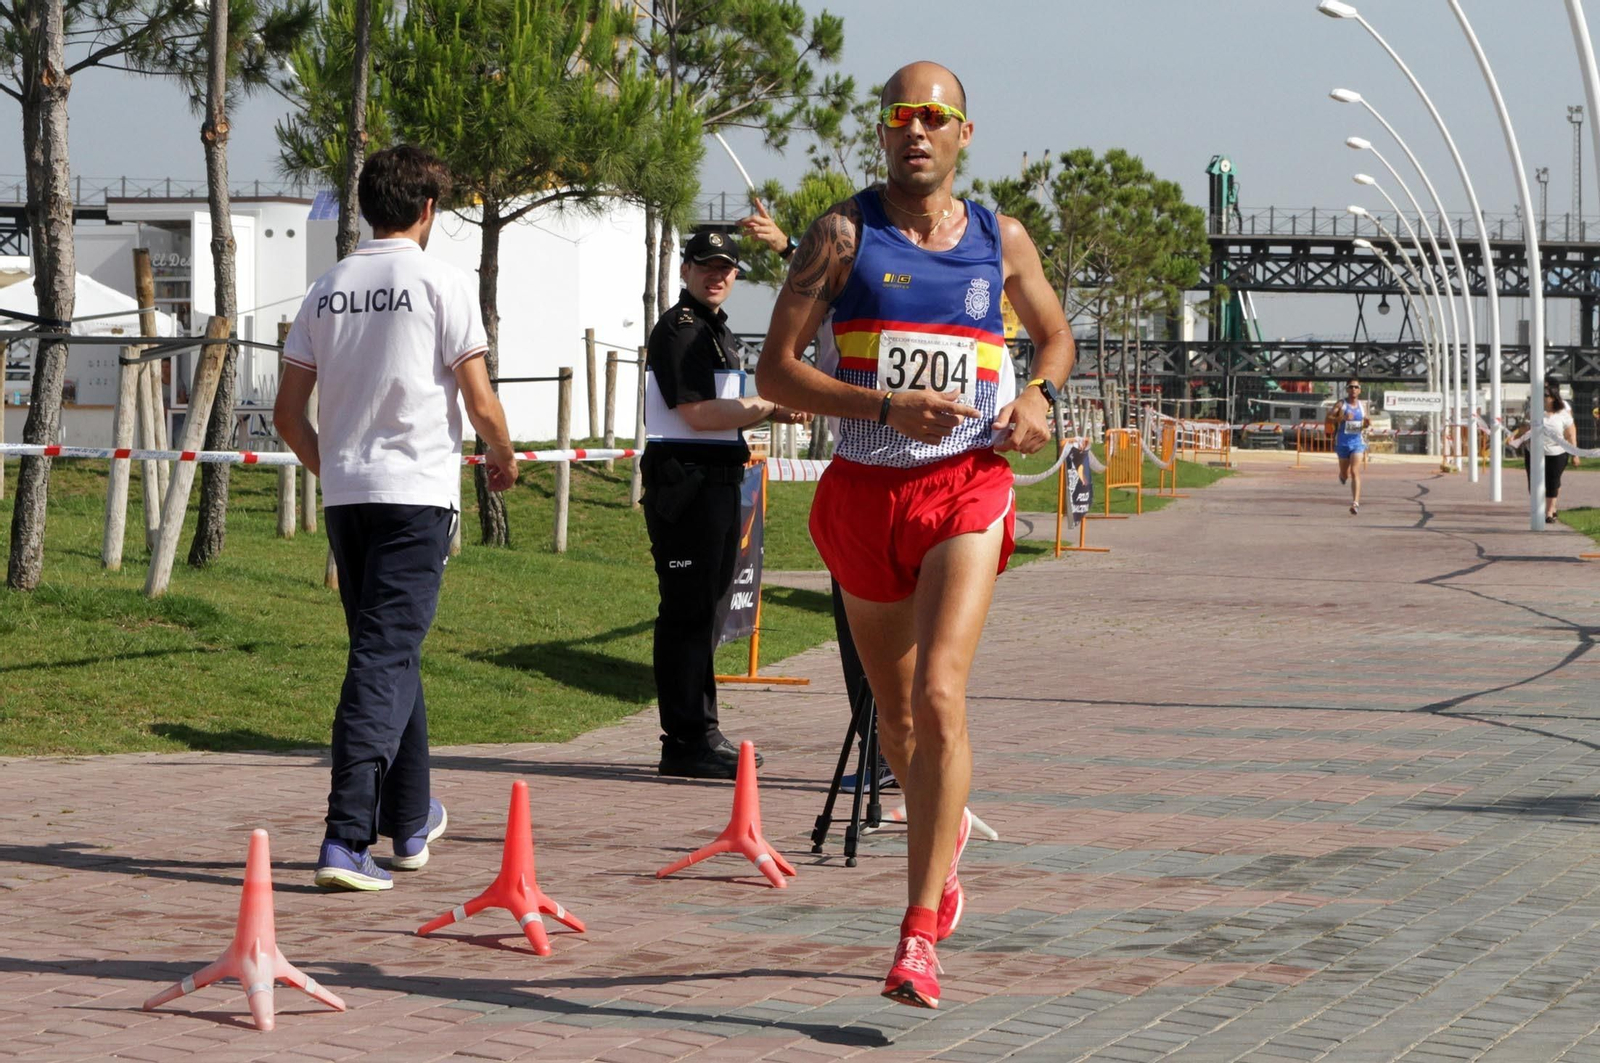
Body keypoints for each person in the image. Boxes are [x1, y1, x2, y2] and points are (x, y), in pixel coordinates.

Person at [756, 61, 1075, 1009]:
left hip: (965, 488)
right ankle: (945, 826)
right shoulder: (841, 237)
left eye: (936, 117)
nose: (917, 132)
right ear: (884, 131)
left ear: (963, 133)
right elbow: (776, 372)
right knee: (895, 721)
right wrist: (886, 404)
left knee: (940, 695)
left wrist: (1037, 395)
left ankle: (917, 931)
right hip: (864, 492)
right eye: (902, 116)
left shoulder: (999, 238)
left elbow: (1054, 337)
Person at [274, 145, 519, 891]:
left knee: (389, 651)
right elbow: (478, 400)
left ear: (365, 207)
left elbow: (287, 415)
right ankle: (346, 838)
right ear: (427, 211)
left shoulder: (326, 287)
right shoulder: (442, 283)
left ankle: (409, 821)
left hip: (348, 498)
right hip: (415, 496)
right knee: (381, 659)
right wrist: (505, 455)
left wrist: (337, 469)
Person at [644, 229, 811, 780]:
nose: (717, 276)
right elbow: (698, 414)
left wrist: (776, 410)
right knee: (688, 612)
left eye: (727, 268)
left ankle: (700, 730)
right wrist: (769, 404)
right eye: (706, 265)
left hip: (714, 480)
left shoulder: (716, 331)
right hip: (685, 482)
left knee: (706, 611)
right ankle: (687, 738)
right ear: (686, 270)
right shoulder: (682, 330)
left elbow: (729, 404)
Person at [1528, 381, 1579, 523]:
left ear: (1554, 397)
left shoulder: (1563, 413)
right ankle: (1543, 507)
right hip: (1535, 453)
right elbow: (1524, 429)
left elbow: (1570, 435)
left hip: (1557, 453)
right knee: (1535, 483)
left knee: (1552, 481)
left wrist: (1575, 454)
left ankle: (1549, 512)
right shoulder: (1534, 411)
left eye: (1546, 395)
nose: (1543, 398)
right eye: (1541, 395)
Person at [1332, 379, 1368, 515]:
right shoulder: (1341, 404)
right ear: (1347, 389)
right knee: (1345, 473)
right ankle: (1342, 475)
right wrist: (1342, 417)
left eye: (1356, 387)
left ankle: (1355, 503)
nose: (1353, 389)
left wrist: (1367, 423)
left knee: (1354, 471)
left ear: (1359, 390)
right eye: (1351, 387)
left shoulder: (1362, 405)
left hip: (1357, 443)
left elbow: (1366, 423)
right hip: (1342, 443)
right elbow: (1330, 416)